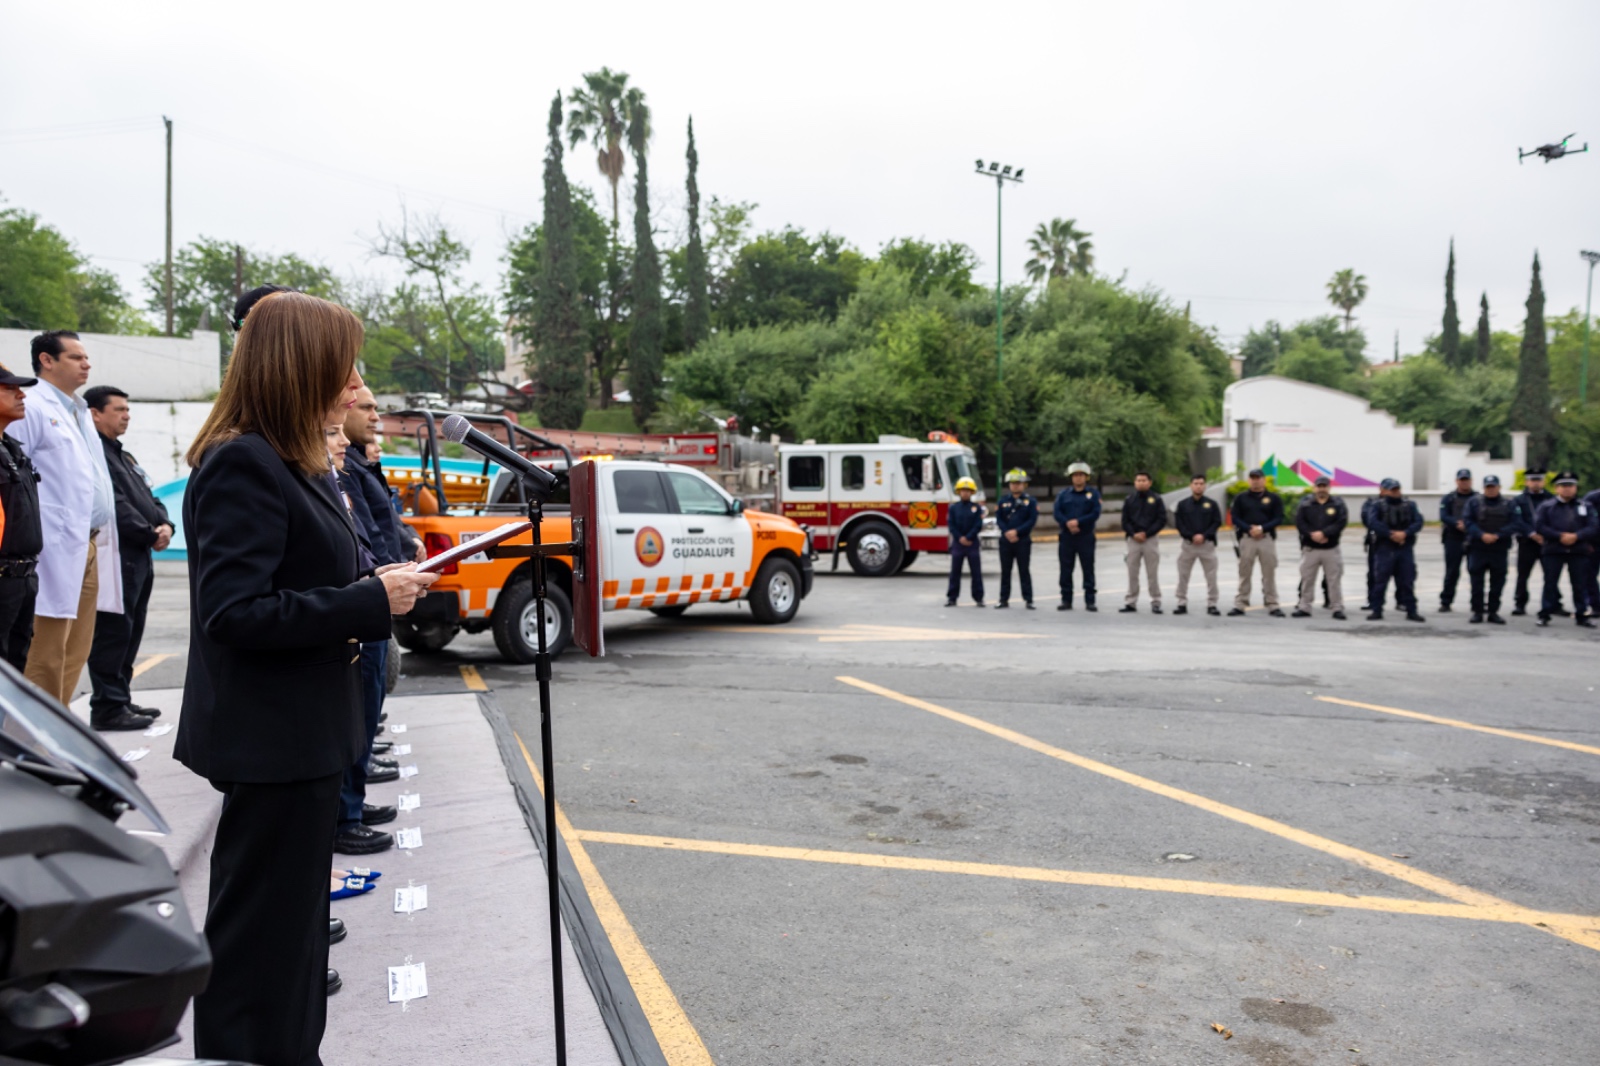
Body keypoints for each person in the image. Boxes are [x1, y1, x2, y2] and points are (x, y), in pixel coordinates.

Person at [174, 289, 437, 1066]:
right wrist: (367, 600)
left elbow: (300, 574)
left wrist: (375, 580)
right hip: (272, 737)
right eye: (343, 367)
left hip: (304, 733)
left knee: (289, 938)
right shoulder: (242, 463)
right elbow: (236, 613)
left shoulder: (291, 459)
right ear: (303, 366)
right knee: (259, 936)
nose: (355, 385)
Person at [8, 331, 122, 709]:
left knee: (77, 646)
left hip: (87, 543)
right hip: (52, 546)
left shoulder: (77, 410)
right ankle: (34, 746)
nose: (86, 364)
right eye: (76, 357)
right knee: (47, 649)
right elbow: (16, 475)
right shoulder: (32, 406)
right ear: (47, 360)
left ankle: (60, 730)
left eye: (86, 357)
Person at [326, 421, 400, 856]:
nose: (345, 441)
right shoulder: (248, 464)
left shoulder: (346, 469)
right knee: (356, 709)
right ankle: (345, 816)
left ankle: (351, 807)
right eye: (330, 431)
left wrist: (379, 573)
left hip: (366, 599)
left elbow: (372, 530)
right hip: (351, 611)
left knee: (365, 706)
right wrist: (371, 583)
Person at [83, 386, 174, 730]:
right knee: (113, 633)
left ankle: (119, 698)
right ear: (95, 413)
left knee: (131, 631)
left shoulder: (124, 456)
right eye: (119, 409)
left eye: (127, 410)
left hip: (138, 557)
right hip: (115, 557)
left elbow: (148, 495)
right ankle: (107, 707)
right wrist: (149, 533)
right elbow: (115, 507)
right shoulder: (95, 455)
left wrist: (165, 524)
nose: (126, 415)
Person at [0, 363, 43, 672]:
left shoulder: (12, 450)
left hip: (22, 579)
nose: (21, 395)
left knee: (12, 675)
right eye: (9, 389)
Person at [1533, 471, 1596, 628]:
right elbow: (1539, 526)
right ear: (1556, 488)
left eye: (1571, 486)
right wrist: (1559, 535)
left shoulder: (1585, 506)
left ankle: (1582, 614)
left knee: (1580, 584)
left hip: (1578, 550)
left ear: (1576, 488)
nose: (1567, 489)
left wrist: (1576, 536)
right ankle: (1545, 613)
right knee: (1550, 583)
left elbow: (1594, 526)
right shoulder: (1547, 507)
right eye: (1563, 486)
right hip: (1554, 549)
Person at [1462, 474, 1526, 625]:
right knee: (1477, 583)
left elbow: (1516, 523)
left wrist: (1498, 535)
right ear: (1484, 488)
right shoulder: (1474, 502)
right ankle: (1477, 612)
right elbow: (1467, 521)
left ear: (1499, 487)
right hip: (1478, 547)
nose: (1491, 490)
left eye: (1493, 487)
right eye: (1488, 487)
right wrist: (1481, 534)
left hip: (1499, 548)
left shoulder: (1509, 504)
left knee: (1497, 582)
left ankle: (1493, 612)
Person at [1365, 478, 1425, 622]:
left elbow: (1418, 522)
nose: (1395, 492)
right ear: (1386, 491)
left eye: (1397, 489)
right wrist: (1391, 534)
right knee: (1380, 581)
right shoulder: (1377, 505)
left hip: (1404, 547)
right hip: (1385, 547)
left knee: (1407, 580)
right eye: (1392, 490)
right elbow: (1372, 522)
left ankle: (1412, 610)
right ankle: (1376, 610)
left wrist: (1405, 533)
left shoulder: (1410, 505)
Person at [1227, 468, 1285, 617]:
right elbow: (1235, 517)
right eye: (1252, 478)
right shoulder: (1241, 498)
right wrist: (1249, 529)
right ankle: (1241, 603)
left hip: (1266, 539)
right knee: (1244, 572)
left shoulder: (1273, 498)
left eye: (1258, 478)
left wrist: (1262, 528)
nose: (1255, 480)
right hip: (1247, 539)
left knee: (1269, 572)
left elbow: (1278, 518)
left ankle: (1272, 603)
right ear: (1249, 480)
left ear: (1264, 480)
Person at [1293, 475, 1348, 619]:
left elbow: (1341, 522)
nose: (1321, 489)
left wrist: (1325, 533)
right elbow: (1300, 522)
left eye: (1324, 486)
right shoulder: (1306, 505)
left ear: (1329, 488)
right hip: (1311, 549)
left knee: (1334, 580)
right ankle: (1304, 607)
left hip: (1330, 548)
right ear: (1314, 488)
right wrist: (1312, 534)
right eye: (1319, 486)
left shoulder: (1337, 505)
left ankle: (1336, 607)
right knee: (1307, 579)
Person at [1054, 462, 1101, 611]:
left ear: (1086, 477)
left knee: (1088, 569)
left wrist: (1078, 522)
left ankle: (1090, 600)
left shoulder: (1093, 494)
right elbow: (1057, 512)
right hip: (1067, 537)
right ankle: (1066, 600)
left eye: (1081, 475)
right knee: (1066, 569)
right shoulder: (1063, 494)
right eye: (1075, 475)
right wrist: (1067, 523)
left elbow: (1095, 513)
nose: (1078, 478)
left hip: (1085, 536)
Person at [1171, 474, 1221, 615]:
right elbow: (1179, 524)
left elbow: (1216, 522)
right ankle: (1181, 603)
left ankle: (1212, 604)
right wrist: (1191, 536)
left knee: (1211, 576)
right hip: (1188, 545)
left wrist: (1204, 536)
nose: (1198, 486)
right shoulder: (1183, 504)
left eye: (1201, 483)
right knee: (1183, 575)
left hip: (1207, 545)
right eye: (1196, 483)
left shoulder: (1212, 504)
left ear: (1205, 486)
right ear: (1190, 485)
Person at [1512, 470, 1558, 616]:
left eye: (1539, 480)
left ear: (1543, 482)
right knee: (1523, 575)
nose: (1536, 483)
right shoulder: (1519, 500)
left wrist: (1546, 534)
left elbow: (1557, 519)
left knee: (1551, 575)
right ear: (1527, 482)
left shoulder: (1551, 499)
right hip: (1527, 542)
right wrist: (1532, 534)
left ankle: (1554, 604)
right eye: (1532, 480)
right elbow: (1517, 520)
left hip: (1547, 542)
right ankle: (1520, 603)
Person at [1119, 472, 1166, 613]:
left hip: (1150, 540)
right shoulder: (1129, 500)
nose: (1140, 483)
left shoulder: (1156, 499)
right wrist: (1134, 534)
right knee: (1132, 572)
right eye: (1138, 480)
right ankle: (1131, 602)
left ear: (1149, 482)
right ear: (1135, 483)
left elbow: (1161, 519)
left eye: (1143, 480)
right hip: (1133, 540)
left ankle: (1155, 601)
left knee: (1152, 572)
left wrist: (1147, 533)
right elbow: (1124, 521)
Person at [993, 468, 1037, 609]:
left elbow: (1031, 520)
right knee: (1005, 571)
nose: (1015, 485)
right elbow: (999, 519)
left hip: (1022, 541)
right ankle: (1003, 599)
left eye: (1018, 483)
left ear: (1024, 484)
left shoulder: (1030, 502)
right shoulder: (1003, 501)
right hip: (1006, 541)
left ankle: (1028, 599)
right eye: (1013, 483)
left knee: (1024, 570)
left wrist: (1017, 532)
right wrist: (1007, 532)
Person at [1437, 469, 1476, 613]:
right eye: (1461, 480)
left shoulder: (1477, 498)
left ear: (1471, 481)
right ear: (1457, 481)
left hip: (1472, 538)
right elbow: (1444, 515)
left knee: (1475, 571)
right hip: (1453, 538)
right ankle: (1446, 601)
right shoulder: (1449, 498)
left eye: (1466, 480)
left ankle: (1476, 602)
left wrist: (1469, 526)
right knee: (1452, 571)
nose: (1464, 482)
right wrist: (1457, 523)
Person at [945, 477, 984, 607]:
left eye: (968, 490)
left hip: (972, 544)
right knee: (955, 572)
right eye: (963, 490)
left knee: (976, 573)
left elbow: (978, 524)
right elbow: (951, 525)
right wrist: (960, 538)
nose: (965, 493)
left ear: (972, 492)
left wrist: (969, 537)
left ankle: (979, 598)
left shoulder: (976, 508)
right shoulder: (954, 508)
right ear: (958, 492)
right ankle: (952, 598)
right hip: (958, 544)